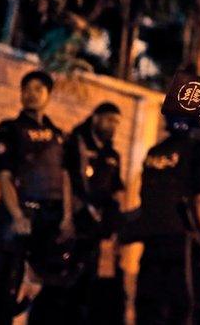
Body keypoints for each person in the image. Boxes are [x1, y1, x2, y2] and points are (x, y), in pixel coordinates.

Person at [0, 70, 75, 325]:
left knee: (47, 286)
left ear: (48, 96)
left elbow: (65, 178)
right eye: (27, 88)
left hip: (50, 219)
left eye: (38, 89)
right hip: (19, 215)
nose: (32, 94)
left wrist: (67, 216)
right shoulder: (9, 130)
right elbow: (4, 176)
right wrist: (16, 216)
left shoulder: (59, 136)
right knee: (7, 285)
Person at [133, 115, 200, 325]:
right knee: (180, 305)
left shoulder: (154, 152)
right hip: (181, 238)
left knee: (149, 303)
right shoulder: (197, 149)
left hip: (151, 236)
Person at [64, 102, 126, 324]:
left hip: (99, 231)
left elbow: (118, 189)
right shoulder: (76, 143)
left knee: (90, 287)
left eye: (117, 122)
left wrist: (115, 222)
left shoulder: (112, 154)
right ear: (96, 118)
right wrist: (68, 216)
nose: (113, 126)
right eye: (110, 120)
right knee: (67, 286)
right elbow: (67, 181)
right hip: (76, 225)